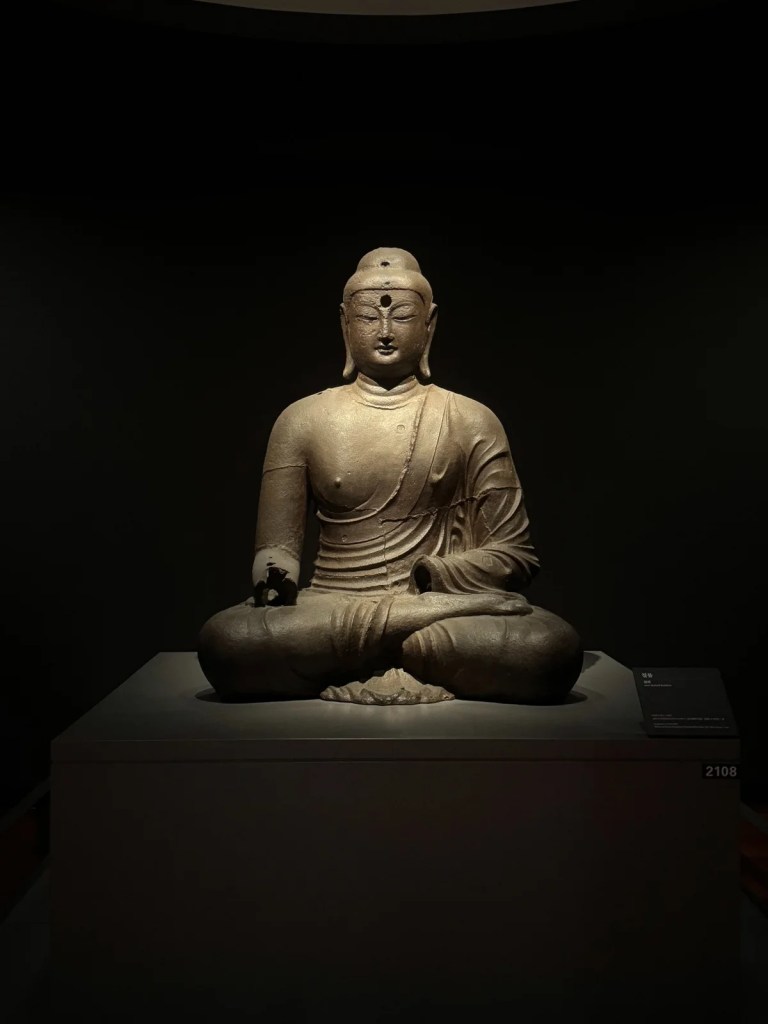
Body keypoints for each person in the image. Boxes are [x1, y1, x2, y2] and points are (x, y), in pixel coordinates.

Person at [198, 248, 582, 704]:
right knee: (227, 642)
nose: (383, 332)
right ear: (344, 323)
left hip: (434, 608)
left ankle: (365, 649)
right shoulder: (301, 420)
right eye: (366, 317)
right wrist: (272, 580)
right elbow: (276, 548)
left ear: (430, 324)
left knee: (548, 648)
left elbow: (515, 555)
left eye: (401, 316)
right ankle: (402, 641)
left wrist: (433, 573)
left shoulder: (471, 419)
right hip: (337, 603)